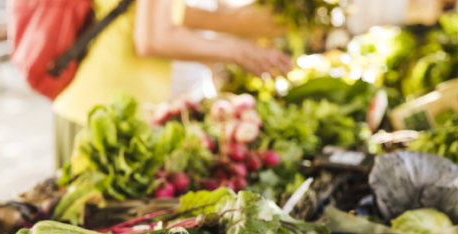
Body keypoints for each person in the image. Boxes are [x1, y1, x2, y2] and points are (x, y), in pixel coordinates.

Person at [52, 0, 292, 169]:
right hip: (102, 117)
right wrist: (239, 52)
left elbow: (183, 11)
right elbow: (153, 37)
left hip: (133, 113)